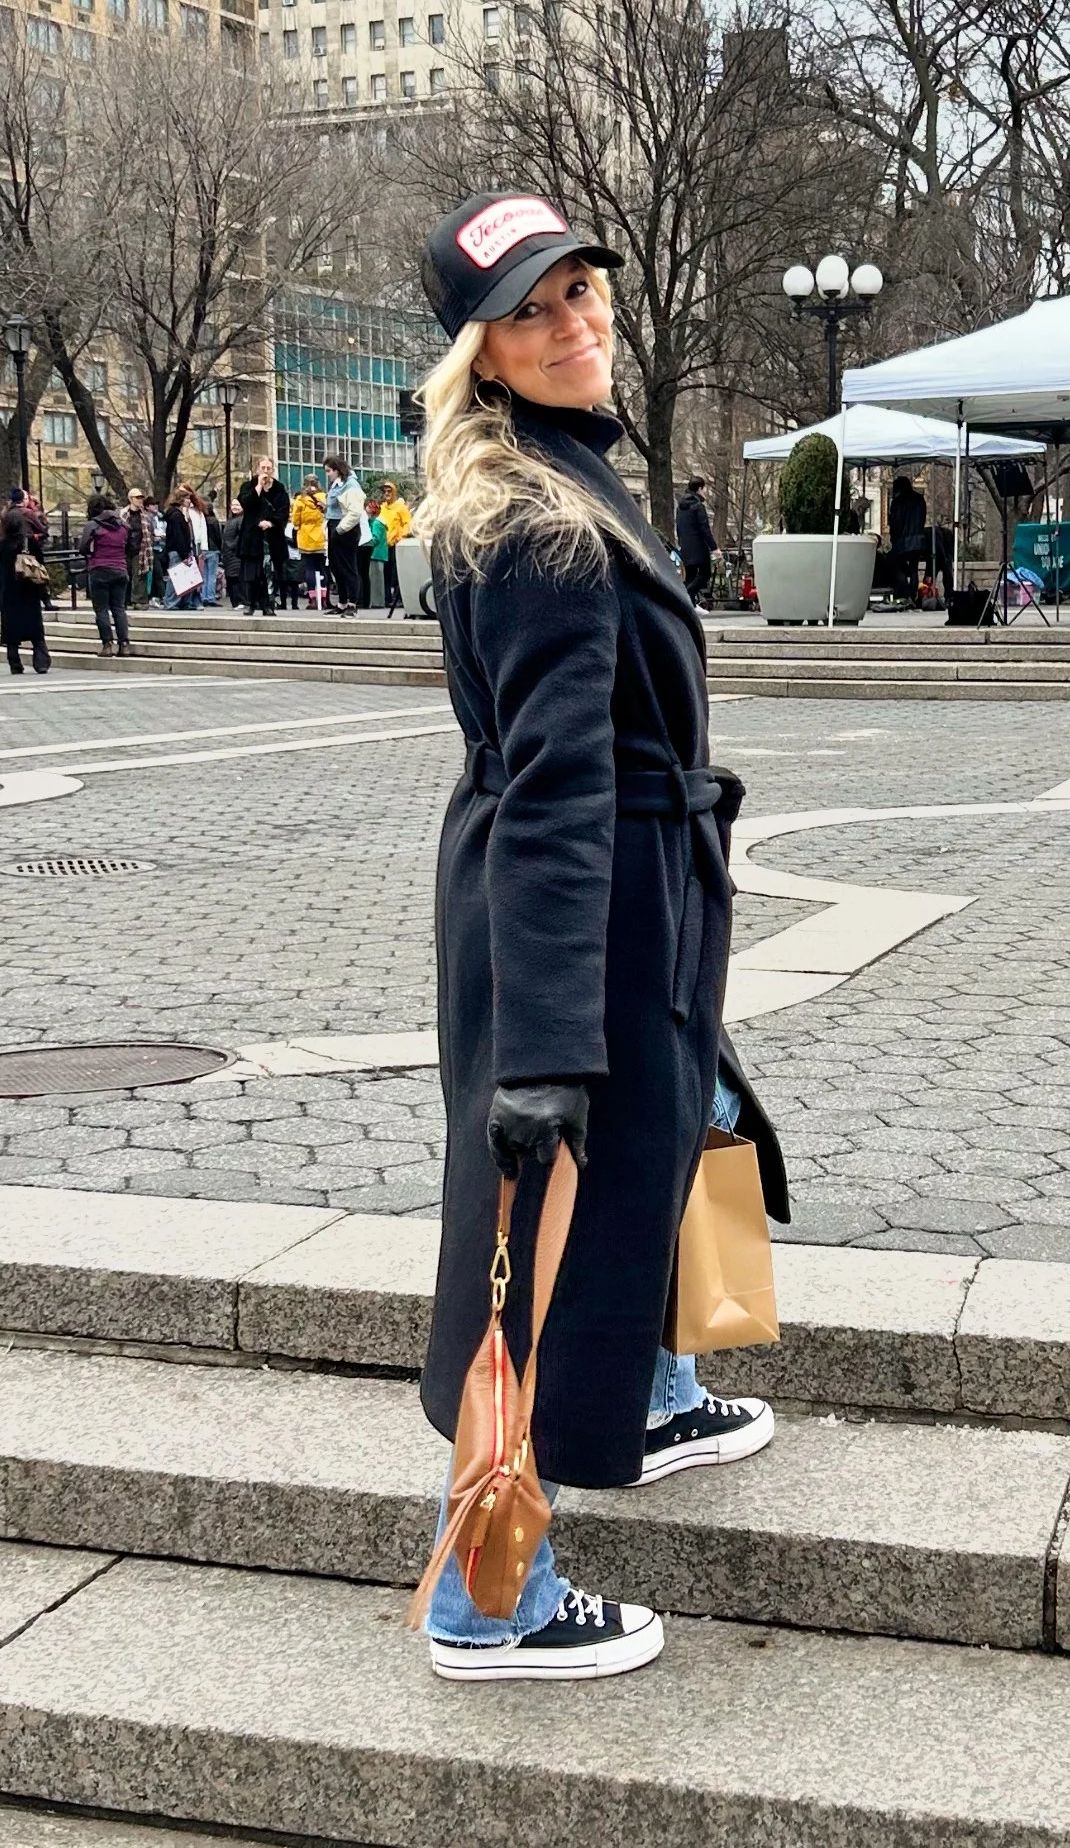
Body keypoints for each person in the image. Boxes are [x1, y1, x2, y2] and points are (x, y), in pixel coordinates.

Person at [413, 190, 788, 1683]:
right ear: (481, 353)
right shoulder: (538, 526)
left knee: (682, 1123)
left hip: (631, 895)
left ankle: (646, 1379)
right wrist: (549, 1046)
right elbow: (559, 788)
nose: (576, 324)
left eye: (581, 291)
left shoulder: (562, 476)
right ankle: (486, 1593)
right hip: (583, 906)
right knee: (533, 1234)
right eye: (532, 309)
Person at [0, 505, 52, 674]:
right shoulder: (30, 542)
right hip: (29, 589)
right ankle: (41, 661)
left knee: (11, 629)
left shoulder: (2, 544)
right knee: (36, 628)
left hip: (9, 590)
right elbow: (40, 563)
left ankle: (15, 663)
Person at [80, 493, 132, 657]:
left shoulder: (93, 525)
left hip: (99, 568)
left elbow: (83, 547)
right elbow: (131, 547)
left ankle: (107, 644)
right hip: (120, 568)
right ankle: (124, 644)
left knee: (101, 609)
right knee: (119, 608)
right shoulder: (123, 525)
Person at [237, 458, 289, 617]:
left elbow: (283, 511)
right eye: (263, 468)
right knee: (252, 573)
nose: (266, 471)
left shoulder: (280, 489)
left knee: (270, 574)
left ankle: (268, 604)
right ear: (258, 469)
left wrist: (272, 523)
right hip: (252, 538)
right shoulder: (248, 486)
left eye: (269, 468)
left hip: (272, 538)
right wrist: (258, 486)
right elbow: (246, 503)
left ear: (273, 470)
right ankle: (250, 603)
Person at [323, 452, 364, 616]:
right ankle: (342, 602)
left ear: (337, 470)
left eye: (328, 471)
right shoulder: (337, 485)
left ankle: (352, 603)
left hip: (345, 529)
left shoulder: (351, 485)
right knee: (336, 566)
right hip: (334, 525)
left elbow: (355, 512)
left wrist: (340, 529)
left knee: (348, 566)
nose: (327, 475)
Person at [675, 476, 720, 611]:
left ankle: (691, 606)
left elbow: (678, 527)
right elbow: (704, 529)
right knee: (705, 574)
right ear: (700, 488)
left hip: (686, 547)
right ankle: (686, 597)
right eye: (705, 488)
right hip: (698, 547)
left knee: (690, 576)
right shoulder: (698, 506)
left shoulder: (680, 507)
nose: (706, 491)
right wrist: (714, 548)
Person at [888, 475, 928, 605]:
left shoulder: (898, 502)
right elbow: (922, 518)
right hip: (918, 540)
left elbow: (895, 522)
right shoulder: (919, 499)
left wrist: (893, 537)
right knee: (914, 569)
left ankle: (905, 594)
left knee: (897, 566)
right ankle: (913, 595)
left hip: (902, 540)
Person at [293, 474, 328, 610]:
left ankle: (313, 599)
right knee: (322, 568)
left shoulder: (300, 501)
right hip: (321, 536)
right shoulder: (324, 498)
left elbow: (296, 521)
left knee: (309, 568)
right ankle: (324, 598)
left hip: (306, 537)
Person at [162, 488, 201, 610]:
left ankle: (183, 602)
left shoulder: (175, 514)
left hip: (179, 550)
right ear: (181, 499)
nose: (189, 501)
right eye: (187, 498)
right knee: (177, 577)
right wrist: (184, 553)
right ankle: (171, 602)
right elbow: (178, 536)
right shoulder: (176, 515)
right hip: (178, 550)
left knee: (184, 577)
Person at [378, 478, 411, 617]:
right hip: (383, 544)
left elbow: (408, 523)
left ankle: (400, 598)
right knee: (385, 572)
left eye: (389, 491)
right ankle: (386, 598)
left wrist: (401, 536)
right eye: (385, 491)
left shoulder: (400, 508)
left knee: (397, 572)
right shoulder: (382, 507)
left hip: (396, 543)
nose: (387, 493)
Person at [221, 497, 244, 608]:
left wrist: (232, 545)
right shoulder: (231, 520)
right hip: (228, 554)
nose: (235, 507)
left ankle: (239, 601)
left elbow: (241, 536)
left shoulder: (241, 519)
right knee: (231, 578)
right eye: (233, 505)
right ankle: (236, 602)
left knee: (235, 578)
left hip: (235, 554)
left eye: (238, 505)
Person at [201, 492, 223, 608]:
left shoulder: (200, 520)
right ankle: (210, 597)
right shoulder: (214, 521)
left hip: (203, 549)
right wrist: (220, 548)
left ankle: (203, 596)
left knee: (204, 575)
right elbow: (218, 536)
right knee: (212, 575)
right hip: (213, 549)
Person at [358, 496, 377, 609]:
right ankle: (366, 601)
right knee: (365, 574)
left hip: (361, 543)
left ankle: (359, 599)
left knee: (359, 572)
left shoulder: (357, 513)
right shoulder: (364, 514)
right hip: (368, 542)